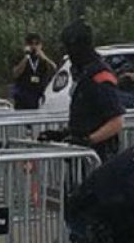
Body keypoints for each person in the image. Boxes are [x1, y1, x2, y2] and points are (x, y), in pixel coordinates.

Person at [37, 19, 125, 162]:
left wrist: (89, 140)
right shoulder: (84, 74)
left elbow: (117, 122)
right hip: (81, 158)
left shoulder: (100, 76)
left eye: (68, 47)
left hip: (99, 158)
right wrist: (63, 134)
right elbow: (86, 117)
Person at [10, 33, 56, 111]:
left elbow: (54, 69)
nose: (34, 46)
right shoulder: (20, 56)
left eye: (37, 44)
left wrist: (44, 57)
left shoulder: (43, 59)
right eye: (31, 43)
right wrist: (26, 57)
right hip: (22, 96)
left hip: (37, 95)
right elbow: (15, 73)